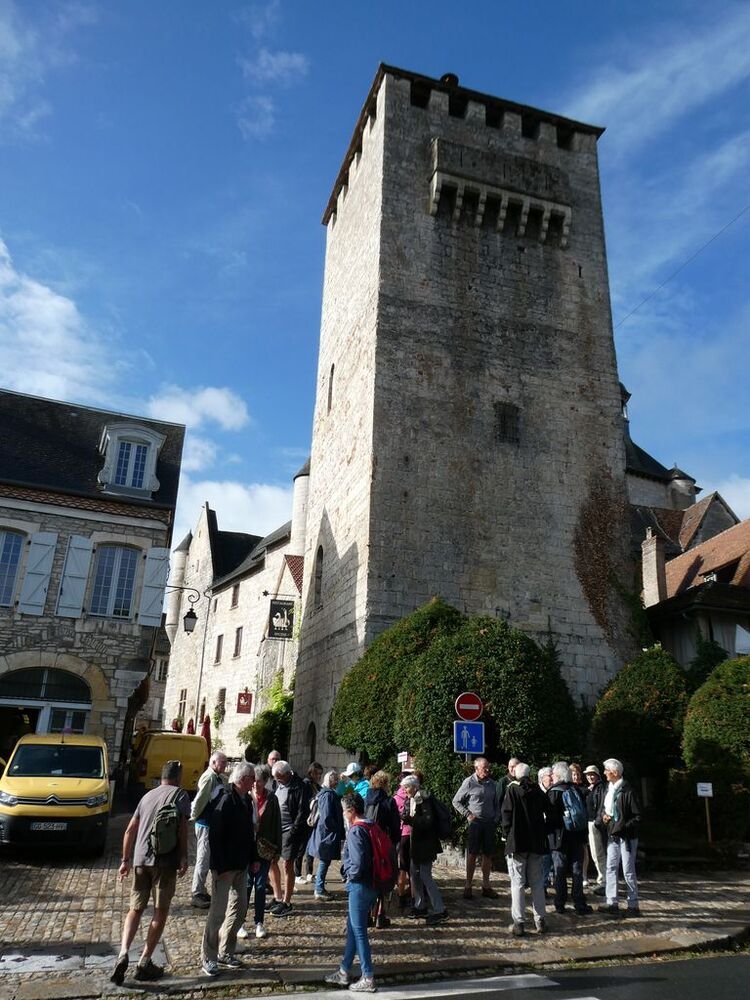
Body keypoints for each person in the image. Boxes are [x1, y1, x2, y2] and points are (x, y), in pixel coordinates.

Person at [111, 760, 189, 985]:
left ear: (162, 777)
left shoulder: (146, 796)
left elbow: (129, 830)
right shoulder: (180, 795)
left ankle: (123, 952)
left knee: (135, 909)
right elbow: (183, 828)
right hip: (165, 862)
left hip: (140, 860)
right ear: (178, 777)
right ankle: (144, 961)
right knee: (160, 911)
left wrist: (125, 860)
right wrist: (184, 856)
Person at [201, 761, 258, 977]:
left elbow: (250, 833)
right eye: (252, 778)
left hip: (241, 864)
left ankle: (226, 951)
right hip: (225, 867)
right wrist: (220, 866)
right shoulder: (225, 799)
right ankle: (208, 956)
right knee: (217, 913)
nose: (255, 782)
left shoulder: (246, 801)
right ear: (243, 779)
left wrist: (253, 858)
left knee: (239, 908)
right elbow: (215, 835)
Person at [324, 792, 378, 993]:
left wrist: (348, 876)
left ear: (351, 811)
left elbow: (358, 862)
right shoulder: (371, 825)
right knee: (353, 928)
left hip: (359, 886)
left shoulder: (356, 831)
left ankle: (368, 976)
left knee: (359, 931)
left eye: (344, 810)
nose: (343, 814)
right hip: (372, 884)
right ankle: (344, 970)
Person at [501, 762, 549, 936]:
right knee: (537, 883)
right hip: (536, 842)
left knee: (517, 883)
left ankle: (519, 923)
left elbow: (506, 814)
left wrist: (506, 835)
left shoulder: (512, 790)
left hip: (518, 842)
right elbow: (549, 810)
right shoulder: (537, 790)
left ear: (516, 774)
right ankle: (540, 920)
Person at [238, 762, 282, 940]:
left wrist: (277, 850)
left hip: (265, 849)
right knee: (247, 885)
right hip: (247, 849)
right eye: (254, 780)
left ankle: (259, 922)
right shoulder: (245, 797)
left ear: (265, 781)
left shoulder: (272, 799)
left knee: (261, 885)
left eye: (260, 780)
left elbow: (277, 824)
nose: (257, 784)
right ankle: (240, 922)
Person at [401, 774, 448, 926]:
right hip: (417, 843)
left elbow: (428, 821)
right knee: (414, 874)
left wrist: (410, 820)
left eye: (406, 787)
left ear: (414, 787)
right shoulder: (412, 799)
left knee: (425, 876)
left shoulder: (423, 798)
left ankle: (440, 910)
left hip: (426, 844)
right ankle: (420, 906)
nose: (404, 790)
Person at [597, 758, 641, 917]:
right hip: (612, 835)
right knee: (610, 868)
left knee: (628, 870)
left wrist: (623, 827)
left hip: (626, 837)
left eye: (606, 770)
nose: (604, 773)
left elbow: (637, 816)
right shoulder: (608, 789)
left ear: (615, 773)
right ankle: (611, 902)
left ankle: (633, 905)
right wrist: (604, 817)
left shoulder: (628, 791)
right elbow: (604, 809)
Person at [546, 761, 592, 916]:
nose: (551, 776)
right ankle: (579, 903)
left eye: (553, 774)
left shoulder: (553, 792)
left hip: (559, 838)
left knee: (559, 871)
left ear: (558, 775)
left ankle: (560, 903)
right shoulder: (576, 790)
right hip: (577, 836)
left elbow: (551, 818)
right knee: (577, 870)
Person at [451, 757, 501, 899]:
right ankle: (468, 885)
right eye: (484, 768)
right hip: (476, 823)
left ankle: (486, 885)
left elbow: (497, 803)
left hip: (489, 823)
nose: (487, 770)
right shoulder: (469, 782)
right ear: (476, 768)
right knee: (472, 854)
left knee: (488, 854)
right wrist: (468, 814)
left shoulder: (493, 784)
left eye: (488, 767)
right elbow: (456, 801)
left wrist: (496, 818)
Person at [268, 759, 310, 917]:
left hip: (290, 830)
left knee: (287, 864)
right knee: (271, 861)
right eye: (276, 778)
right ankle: (277, 897)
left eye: (279, 777)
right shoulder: (277, 784)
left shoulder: (300, 786)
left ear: (287, 774)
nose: (277, 780)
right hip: (275, 829)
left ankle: (286, 902)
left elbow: (302, 812)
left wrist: (293, 832)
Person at [190, 751, 228, 908]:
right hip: (204, 823)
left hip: (210, 824)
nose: (225, 765)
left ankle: (202, 890)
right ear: (214, 762)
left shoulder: (217, 777)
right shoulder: (209, 777)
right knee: (203, 859)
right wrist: (194, 816)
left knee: (207, 858)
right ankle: (197, 892)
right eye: (223, 762)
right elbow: (200, 799)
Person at [364, 770, 401, 928]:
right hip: (384, 843)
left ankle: (367, 915)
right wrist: (394, 842)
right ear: (385, 784)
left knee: (369, 878)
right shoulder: (389, 801)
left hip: (367, 843)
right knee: (384, 877)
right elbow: (395, 826)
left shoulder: (366, 800)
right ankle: (380, 915)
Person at [309, 768, 345, 900]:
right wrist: (336, 829)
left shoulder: (325, 793)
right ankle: (319, 889)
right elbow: (326, 817)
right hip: (326, 834)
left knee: (325, 861)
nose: (337, 783)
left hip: (324, 833)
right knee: (325, 861)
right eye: (336, 780)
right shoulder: (328, 795)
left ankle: (319, 888)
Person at [296, 761, 324, 884]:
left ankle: (309, 873)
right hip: (305, 820)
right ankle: (297, 874)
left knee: (310, 848)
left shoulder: (317, 786)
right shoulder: (305, 784)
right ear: (311, 773)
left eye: (320, 774)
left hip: (313, 820)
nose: (319, 776)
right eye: (317, 773)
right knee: (301, 848)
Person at [392, 771, 414, 910]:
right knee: (413, 868)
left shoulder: (395, 798)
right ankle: (414, 896)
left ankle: (401, 896)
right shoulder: (415, 795)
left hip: (402, 834)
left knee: (402, 867)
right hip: (414, 834)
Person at [584, 764, 607, 893]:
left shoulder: (601, 788)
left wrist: (598, 822)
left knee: (599, 853)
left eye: (592, 774)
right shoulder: (591, 788)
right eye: (588, 775)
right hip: (591, 822)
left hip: (596, 823)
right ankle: (602, 879)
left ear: (597, 775)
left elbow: (602, 806)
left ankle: (604, 882)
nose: (590, 777)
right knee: (595, 854)